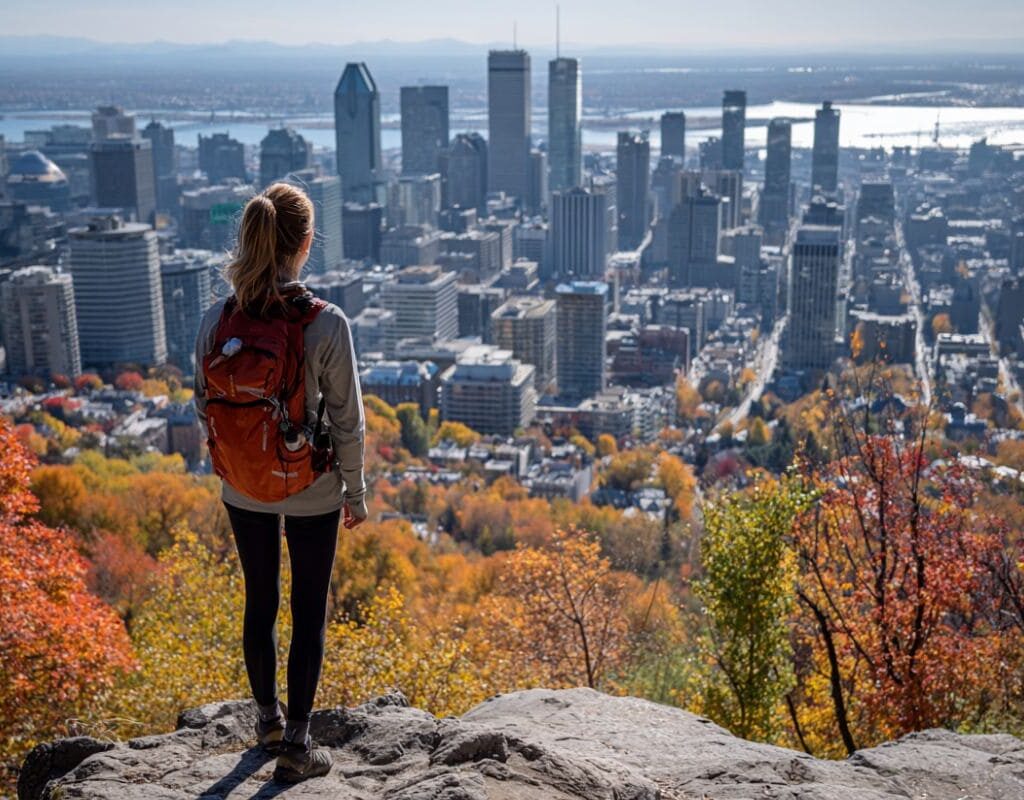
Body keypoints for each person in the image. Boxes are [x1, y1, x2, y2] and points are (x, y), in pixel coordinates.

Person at [194, 182, 366, 783]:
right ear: (306, 243)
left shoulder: (218, 320)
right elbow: (348, 418)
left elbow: (202, 403)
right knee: (307, 611)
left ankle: (266, 721)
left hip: (242, 486)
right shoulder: (325, 323)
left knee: (259, 600)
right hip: (313, 488)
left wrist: (239, 460)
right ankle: (297, 746)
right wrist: (358, 492)